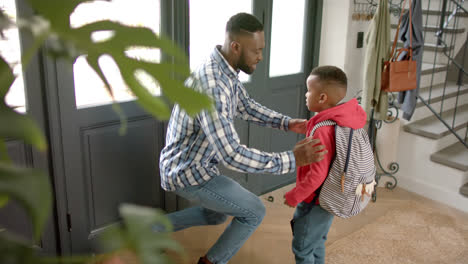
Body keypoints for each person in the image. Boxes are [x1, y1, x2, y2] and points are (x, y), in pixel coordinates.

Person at [159, 13, 327, 264]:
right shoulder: (213, 86)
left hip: (196, 164)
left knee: (217, 215)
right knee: (254, 211)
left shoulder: (223, 70)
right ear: (236, 46)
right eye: (256, 51)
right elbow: (232, 154)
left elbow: (245, 106)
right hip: (188, 171)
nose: (261, 56)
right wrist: (292, 159)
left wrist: (286, 123)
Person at [283, 66, 367, 264]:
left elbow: (318, 174)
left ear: (322, 98)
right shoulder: (346, 120)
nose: (305, 94)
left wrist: (295, 195)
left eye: (308, 90)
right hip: (334, 194)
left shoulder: (322, 129)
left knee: (302, 247)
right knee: (317, 240)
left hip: (316, 199)